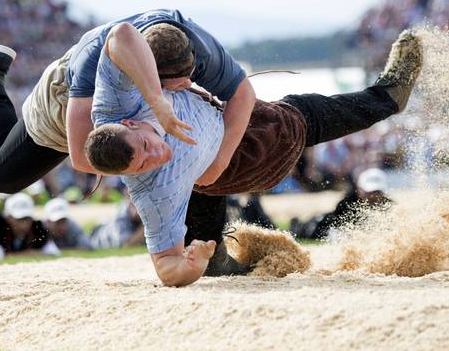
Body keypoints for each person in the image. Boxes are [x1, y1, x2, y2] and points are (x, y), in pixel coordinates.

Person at [84, 30, 422, 286]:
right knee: (300, 115)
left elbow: (122, 35)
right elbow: (166, 268)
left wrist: (158, 100)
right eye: (143, 165)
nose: (156, 155)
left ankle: (218, 263)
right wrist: (192, 264)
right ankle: (388, 98)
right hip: (244, 158)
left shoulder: (113, 106)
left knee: (200, 202)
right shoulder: (152, 189)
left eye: (146, 146)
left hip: (212, 141)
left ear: (127, 122)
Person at [0, 9, 255, 276]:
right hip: (66, 109)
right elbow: (82, 157)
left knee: (172, 152)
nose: (186, 86)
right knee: (0, 177)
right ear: (145, 74)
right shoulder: (95, 69)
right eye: (172, 83)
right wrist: (153, 176)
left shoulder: (192, 45)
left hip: (136, 121)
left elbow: (243, 93)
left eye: (189, 76)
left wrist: (217, 162)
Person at [290, 168, 392, 240]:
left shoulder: (390, 207)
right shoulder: (347, 203)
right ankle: (296, 224)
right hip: (320, 227)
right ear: (360, 190)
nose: (373, 196)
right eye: (369, 192)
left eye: (377, 192)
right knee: (305, 231)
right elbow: (337, 231)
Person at [0, 193, 59, 260]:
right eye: (19, 219)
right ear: (8, 218)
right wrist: (30, 254)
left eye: (27, 218)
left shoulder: (37, 227)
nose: (24, 224)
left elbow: (54, 253)